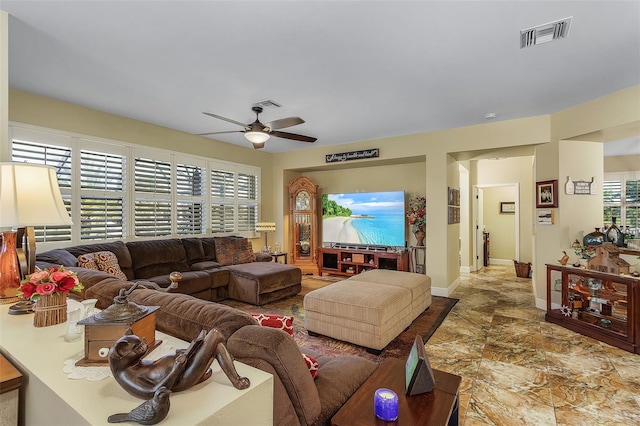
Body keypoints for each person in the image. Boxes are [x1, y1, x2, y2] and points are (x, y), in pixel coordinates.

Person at [109, 328, 250, 399]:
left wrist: (183, 353)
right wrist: (176, 368)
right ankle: (235, 378)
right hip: (181, 378)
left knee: (215, 345)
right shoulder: (127, 375)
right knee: (215, 335)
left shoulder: (135, 364)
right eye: (139, 348)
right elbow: (153, 392)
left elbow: (156, 367)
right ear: (122, 353)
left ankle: (234, 377)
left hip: (182, 368)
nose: (144, 347)